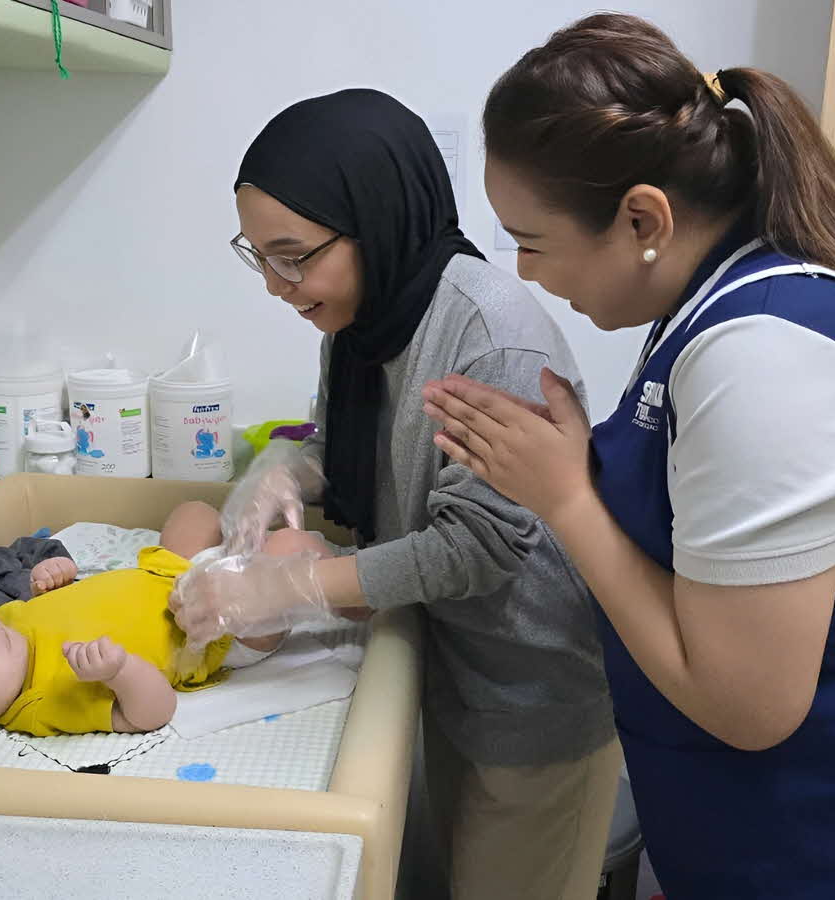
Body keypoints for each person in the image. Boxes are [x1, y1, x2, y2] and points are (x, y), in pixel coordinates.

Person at [421, 14, 835, 898]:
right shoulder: (737, 289)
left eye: (531, 241)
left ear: (644, 216)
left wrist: (566, 499)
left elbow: (748, 705)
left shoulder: (762, 355)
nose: (526, 274)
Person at [166, 89, 617, 900]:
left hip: (530, 697)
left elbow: (475, 545)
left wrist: (287, 585)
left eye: (293, 255)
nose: (275, 284)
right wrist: (280, 473)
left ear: (373, 219)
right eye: (259, 255)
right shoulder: (364, 323)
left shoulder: (490, 337)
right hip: (445, 673)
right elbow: (339, 446)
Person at [0, 501, 310, 760]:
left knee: (193, 513)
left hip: (169, 571)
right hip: (217, 631)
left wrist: (53, 579)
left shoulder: (3, 626)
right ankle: (336, 584)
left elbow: (64, 604)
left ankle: (235, 549)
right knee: (291, 552)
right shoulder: (43, 704)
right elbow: (154, 713)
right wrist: (121, 671)